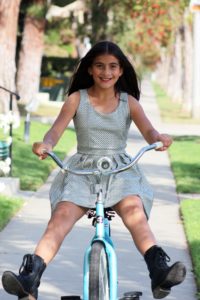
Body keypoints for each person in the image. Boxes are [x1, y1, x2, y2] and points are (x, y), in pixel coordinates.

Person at [1, 41, 186, 299]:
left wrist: (158, 138)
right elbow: (56, 129)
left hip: (120, 171)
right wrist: (47, 144)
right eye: (99, 66)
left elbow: (148, 130)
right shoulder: (77, 99)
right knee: (61, 216)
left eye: (112, 66)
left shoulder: (129, 102)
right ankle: (29, 279)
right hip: (83, 170)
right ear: (89, 69)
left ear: (121, 71)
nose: (106, 72)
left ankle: (158, 271)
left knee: (134, 211)